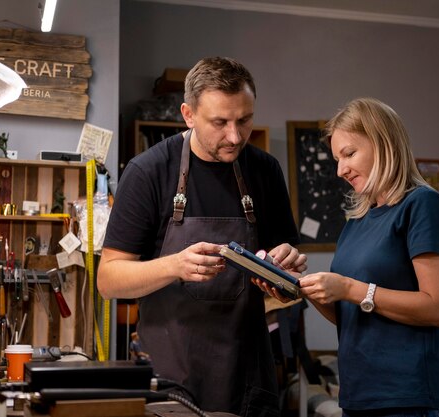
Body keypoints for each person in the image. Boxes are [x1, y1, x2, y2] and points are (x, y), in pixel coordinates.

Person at [97, 56, 307, 417]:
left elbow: (287, 271)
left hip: (249, 376)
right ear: (188, 115)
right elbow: (109, 279)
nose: (235, 136)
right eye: (219, 122)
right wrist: (175, 265)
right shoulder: (148, 172)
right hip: (171, 380)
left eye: (244, 120)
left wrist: (286, 267)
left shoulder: (265, 170)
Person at [258, 97, 439, 417]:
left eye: (349, 154)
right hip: (358, 398)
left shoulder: (423, 206)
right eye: (337, 159)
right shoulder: (357, 221)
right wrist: (298, 286)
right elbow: (353, 315)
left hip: (409, 400)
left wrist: (350, 288)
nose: (341, 170)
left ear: (384, 143)